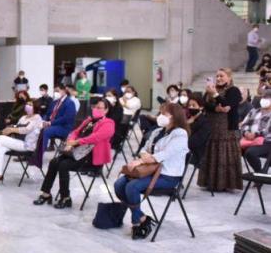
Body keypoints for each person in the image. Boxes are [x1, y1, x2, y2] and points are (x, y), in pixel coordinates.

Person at [114, 103, 189, 240]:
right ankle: (142, 217)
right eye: (160, 113)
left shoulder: (180, 134)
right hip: (149, 171)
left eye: (165, 114)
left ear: (175, 116)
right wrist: (145, 156)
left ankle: (137, 222)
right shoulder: (157, 131)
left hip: (168, 176)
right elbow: (144, 148)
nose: (160, 116)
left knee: (132, 187)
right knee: (119, 185)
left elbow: (166, 154)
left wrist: (144, 159)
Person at [33, 99, 115, 209]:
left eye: (99, 108)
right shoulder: (89, 120)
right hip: (77, 152)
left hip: (91, 157)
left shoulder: (109, 123)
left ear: (106, 110)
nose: (96, 109)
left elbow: (95, 138)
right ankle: (46, 193)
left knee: (63, 165)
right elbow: (75, 132)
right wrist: (70, 143)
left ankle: (65, 197)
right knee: (54, 162)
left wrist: (76, 142)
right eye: (95, 107)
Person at [0, 100, 43, 184]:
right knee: (0, 149)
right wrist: (9, 128)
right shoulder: (23, 117)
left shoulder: (37, 118)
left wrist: (11, 129)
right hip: (18, 141)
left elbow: (26, 130)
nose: (28, 106)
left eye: (30, 105)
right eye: (27, 104)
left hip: (28, 145)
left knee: (0, 138)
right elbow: (17, 126)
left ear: (35, 107)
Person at [198, 68, 243, 192]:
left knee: (224, 154)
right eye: (217, 76)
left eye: (221, 76)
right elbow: (204, 104)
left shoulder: (234, 90)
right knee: (211, 152)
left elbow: (227, 104)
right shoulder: (211, 89)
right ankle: (209, 182)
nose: (218, 78)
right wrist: (215, 108)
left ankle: (226, 183)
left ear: (229, 77)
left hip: (226, 128)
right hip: (211, 125)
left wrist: (216, 95)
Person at [239, 88, 271, 172]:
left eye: (267, 98)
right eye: (263, 97)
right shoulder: (253, 111)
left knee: (250, 152)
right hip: (248, 139)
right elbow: (243, 125)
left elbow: (267, 129)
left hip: (266, 142)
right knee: (231, 149)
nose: (264, 99)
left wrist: (255, 134)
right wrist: (246, 133)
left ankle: (259, 173)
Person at [41, 84, 77, 152]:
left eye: (57, 91)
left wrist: (50, 123)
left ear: (64, 91)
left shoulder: (69, 103)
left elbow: (66, 118)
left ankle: (39, 155)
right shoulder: (55, 102)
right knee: (35, 128)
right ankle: (30, 151)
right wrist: (43, 120)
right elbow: (48, 113)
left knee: (45, 131)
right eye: (55, 91)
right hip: (53, 124)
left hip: (64, 127)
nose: (56, 93)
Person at [187, 94, 211, 166]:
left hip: (195, 154)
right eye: (189, 105)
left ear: (201, 107)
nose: (191, 107)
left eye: (193, 105)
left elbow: (195, 142)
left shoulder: (205, 122)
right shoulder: (188, 118)